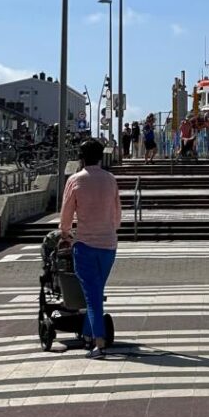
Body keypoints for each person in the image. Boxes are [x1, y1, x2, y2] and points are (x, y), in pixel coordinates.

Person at [58, 139, 121, 359]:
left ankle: (99, 343)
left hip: (85, 244)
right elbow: (116, 214)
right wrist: (109, 229)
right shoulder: (111, 179)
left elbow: (66, 213)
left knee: (93, 295)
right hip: (108, 245)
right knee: (96, 292)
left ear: (81, 157)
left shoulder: (75, 180)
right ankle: (87, 333)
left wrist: (65, 232)